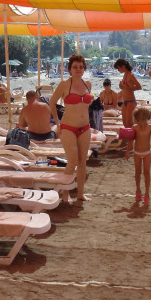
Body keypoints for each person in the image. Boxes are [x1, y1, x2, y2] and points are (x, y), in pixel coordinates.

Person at [50, 54, 92, 202]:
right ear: (70, 69)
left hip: (85, 127)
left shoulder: (88, 84)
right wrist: (57, 123)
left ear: (84, 68)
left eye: (81, 67)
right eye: (75, 67)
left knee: (82, 162)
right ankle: (65, 193)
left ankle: (80, 194)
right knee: (72, 161)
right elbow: (52, 102)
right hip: (68, 127)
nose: (78, 69)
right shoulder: (64, 85)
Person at [114, 58, 141, 157]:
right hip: (125, 101)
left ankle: (132, 145)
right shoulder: (125, 75)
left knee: (129, 123)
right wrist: (122, 86)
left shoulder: (131, 75)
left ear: (123, 66)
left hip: (131, 101)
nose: (118, 70)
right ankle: (130, 144)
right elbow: (125, 87)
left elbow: (139, 87)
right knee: (125, 123)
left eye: (118, 68)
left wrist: (128, 87)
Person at [132, 106, 151, 204]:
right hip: (138, 153)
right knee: (140, 172)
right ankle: (139, 191)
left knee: (145, 172)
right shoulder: (135, 128)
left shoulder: (150, 128)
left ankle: (146, 193)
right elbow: (130, 140)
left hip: (145, 153)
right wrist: (127, 151)